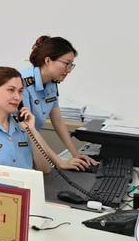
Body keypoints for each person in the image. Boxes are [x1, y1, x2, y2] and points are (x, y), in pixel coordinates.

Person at [0, 65, 78, 172]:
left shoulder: (23, 126)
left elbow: (45, 169)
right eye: (11, 90)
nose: (17, 97)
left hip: (26, 189)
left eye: (20, 91)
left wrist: (32, 131)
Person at [20, 35, 97, 170]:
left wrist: (75, 154)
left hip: (32, 142)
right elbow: (28, 128)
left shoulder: (52, 83)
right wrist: (59, 162)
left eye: (71, 65)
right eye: (66, 64)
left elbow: (58, 121)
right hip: (18, 144)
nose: (68, 70)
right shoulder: (22, 82)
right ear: (48, 60)